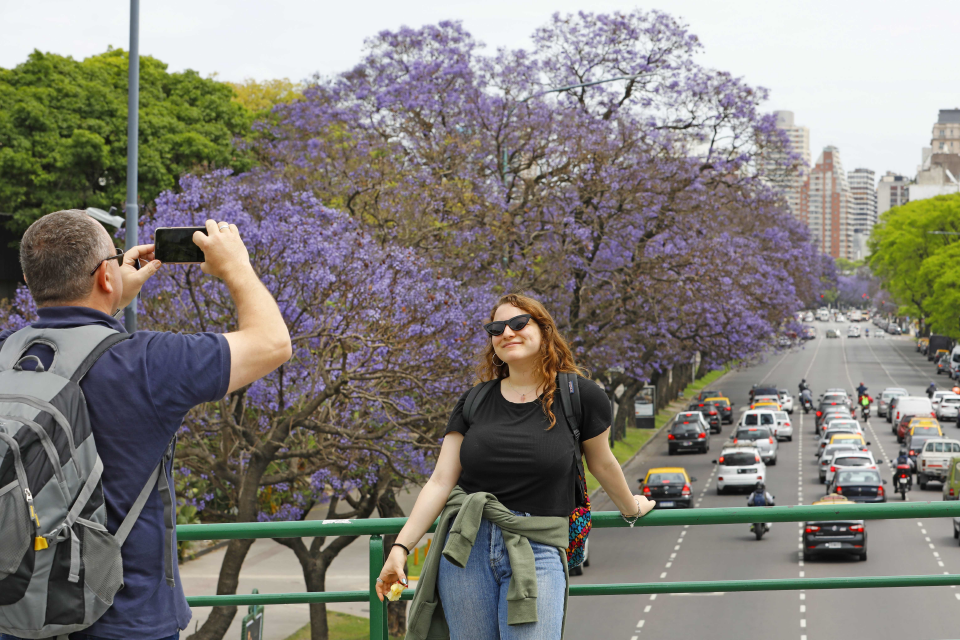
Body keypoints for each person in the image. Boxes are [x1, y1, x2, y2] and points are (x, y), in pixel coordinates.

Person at [0, 211, 291, 640]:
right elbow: (273, 342)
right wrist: (235, 266)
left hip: (19, 613)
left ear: (29, 280)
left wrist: (111, 294)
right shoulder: (149, 363)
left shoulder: (8, 356)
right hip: (125, 622)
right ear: (104, 275)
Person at [375, 293, 655, 640]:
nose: (507, 332)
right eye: (497, 328)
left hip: (538, 548)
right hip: (465, 550)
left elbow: (602, 462)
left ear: (544, 330)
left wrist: (631, 506)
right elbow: (440, 480)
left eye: (519, 323)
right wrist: (400, 549)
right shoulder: (474, 400)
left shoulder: (579, 395)